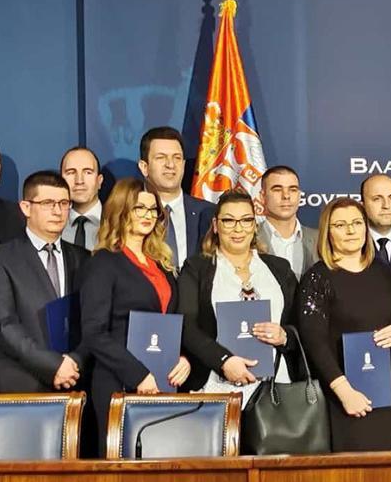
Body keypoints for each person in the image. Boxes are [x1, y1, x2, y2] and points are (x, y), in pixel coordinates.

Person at [80, 177, 190, 455]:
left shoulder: (162, 264)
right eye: (139, 208)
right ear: (121, 210)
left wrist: (182, 359)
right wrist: (138, 375)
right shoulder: (104, 262)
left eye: (153, 210)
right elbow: (94, 332)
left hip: (163, 381)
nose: (147, 215)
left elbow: (171, 322)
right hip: (119, 383)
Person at [298, 197, 391, 451]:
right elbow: (315, 343)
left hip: (386, 392)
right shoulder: (317, 278)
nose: (350, 231)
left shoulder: (381, 272)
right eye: (340, 225)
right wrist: (344, 391)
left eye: (357, 223)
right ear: (328, 232)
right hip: (343, 396)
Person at [178, 190, 297, 403]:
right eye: (229, 221)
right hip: (216, 386)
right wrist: (223, 361)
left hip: (276, 391)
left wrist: (285, 336)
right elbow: (187, 326)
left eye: (246, 220)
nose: (238, 228)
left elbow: (301, 325)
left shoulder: (279, 268)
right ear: (216, 225)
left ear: (255, 225)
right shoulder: (197, 268)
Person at [0, 171, 88, 392]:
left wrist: (75, 361)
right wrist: (53, 365)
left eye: (64, 203)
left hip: (75, 382)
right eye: (48, 203)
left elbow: (93, 321)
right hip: (22, 385)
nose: (58, 211)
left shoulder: (83, 258)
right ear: (26, 207)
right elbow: (3, 325)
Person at [137, 126, 213, 270]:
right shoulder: (130, 214)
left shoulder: (209, 213)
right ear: (144, 167)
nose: (170, 165)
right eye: (161, 158)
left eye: (177, 158)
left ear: (183, 165)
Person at [256, 165, 318, 277]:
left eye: (293, 190)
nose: (286, 196)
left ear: (299, 195)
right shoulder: (249, 238)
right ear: (262, 197)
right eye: (277, 190)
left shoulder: (320, 240)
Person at [60, 146, 103, 251]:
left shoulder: (118, 223)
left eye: (88, 172)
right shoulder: (52, 224)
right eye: (71, 172)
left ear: (99, 181)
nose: (79, 181)